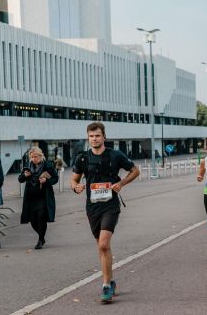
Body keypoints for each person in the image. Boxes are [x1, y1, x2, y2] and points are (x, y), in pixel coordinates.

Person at [71, 122, 139, 304]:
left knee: (103, 245)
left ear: (104, 137)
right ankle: (110, 279)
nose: (94, 139)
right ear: (88, 138)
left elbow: (135, 170)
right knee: (102, 248)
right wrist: (75, 187)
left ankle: (106, 286)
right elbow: (74, 179)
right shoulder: (82, 158)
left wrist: (121, 184)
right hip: (92, 207)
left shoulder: (116, 156)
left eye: (97, 136)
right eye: (91, 136)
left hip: (111, 206)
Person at [19, 147, 59, 249]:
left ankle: (40, 240)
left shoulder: (47, 165)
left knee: (41, 217)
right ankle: (42, 237)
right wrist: (24, 175)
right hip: (31, 198)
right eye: (32, 157)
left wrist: (46, 180)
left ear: (40, 156)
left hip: (43, 197)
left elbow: (55, 179)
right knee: (32, 220)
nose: (33, 159)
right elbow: (20, 179)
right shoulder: (28, 166)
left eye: (35, 157)